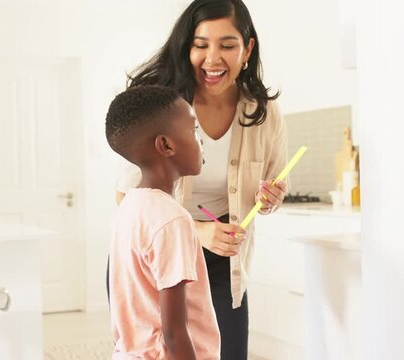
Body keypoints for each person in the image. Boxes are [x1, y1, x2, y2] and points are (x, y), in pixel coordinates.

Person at [115, 0, 288, 358]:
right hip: (162, 247)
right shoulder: (165, 106)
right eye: (200, 45)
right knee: (155, 348)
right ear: (186, 47)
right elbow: (127, 198)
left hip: (226, 252)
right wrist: (197, 230)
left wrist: (269, 197)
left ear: (247, 49)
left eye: (227, 45)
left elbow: (272, 183)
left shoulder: (264, 113)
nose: (213, 58)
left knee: (227, 350)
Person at [106, 85, 221, 359]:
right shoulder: (172, 219)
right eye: (194, 129)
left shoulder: (130, 206)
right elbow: (174, 333)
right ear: (166, 145)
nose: (201, 138)